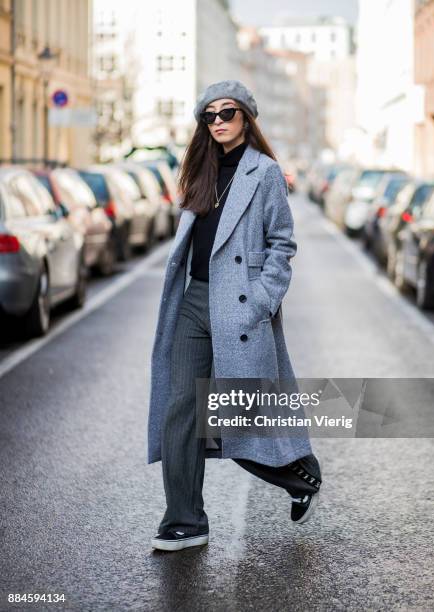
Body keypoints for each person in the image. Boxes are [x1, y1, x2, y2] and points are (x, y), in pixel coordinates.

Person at [148, 80, 322, 552]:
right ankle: (184, 519)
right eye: (210, 115)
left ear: (246, 116)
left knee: (238, 415)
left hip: (240, 305)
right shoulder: (198, 168)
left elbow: (282, 244)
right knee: (181, 407)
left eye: (228, 113)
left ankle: (299, 472)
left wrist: (263, 299)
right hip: (194, 302)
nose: (219, 121)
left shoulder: (264, 172)